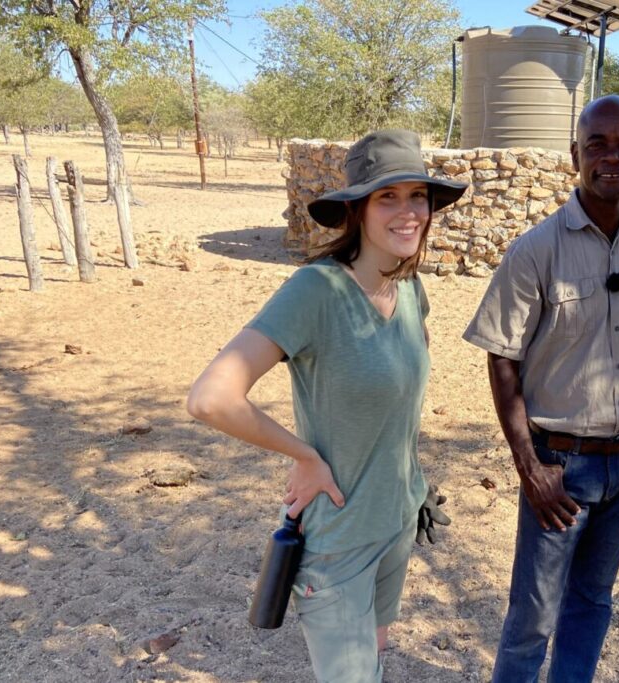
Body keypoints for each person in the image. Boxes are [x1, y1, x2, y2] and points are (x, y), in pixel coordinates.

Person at [187, 129, 465, 683]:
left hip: (397, 519)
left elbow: (397, 403)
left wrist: (411, 481)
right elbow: (210, 398)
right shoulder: (316, 291)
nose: (409, 211)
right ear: (356, 209)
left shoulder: (409, 288)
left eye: (418, 196)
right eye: (388, 196)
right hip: (339, 540)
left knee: (376, 663)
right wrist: (304, 455)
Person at [463, 95, 619, 682]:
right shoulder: (537, 249)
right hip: (560, 467)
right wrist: (529, 467)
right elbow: (502, 358)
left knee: (592, 602)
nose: (612, 157)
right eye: (598, 145)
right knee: (534, 614)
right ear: (576, 155)